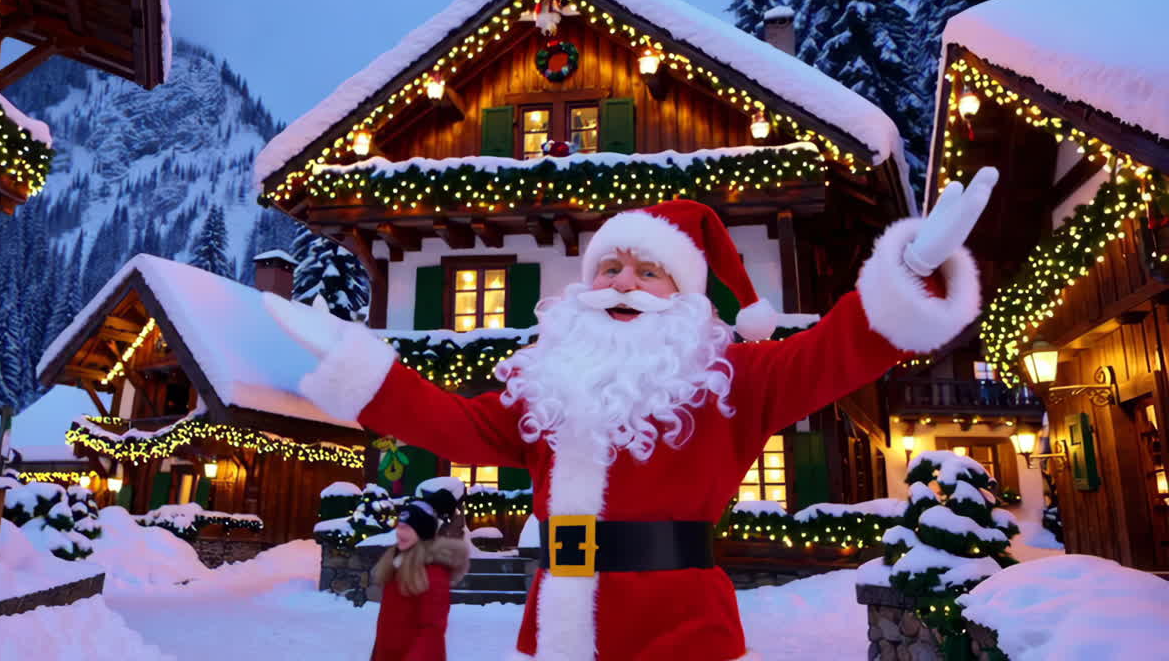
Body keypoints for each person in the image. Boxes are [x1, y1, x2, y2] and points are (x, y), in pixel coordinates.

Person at [267, 170, 997, 661]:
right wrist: (366, 371)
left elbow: (836, 350)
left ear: (685, 297)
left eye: (649, 271)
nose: (625, 283)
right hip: (562, 626)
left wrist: (911, 273)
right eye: (610, 269)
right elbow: (453, 425)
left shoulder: (731, 379)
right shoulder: (545, 385)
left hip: (682, 631)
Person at [370, 490, 468, 661]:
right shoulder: (396, 563)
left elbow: (431, 632)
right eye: (399, 526)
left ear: (423, 533)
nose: (400, 533)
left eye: (407, 528)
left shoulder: (434, 572)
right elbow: (386, 626)